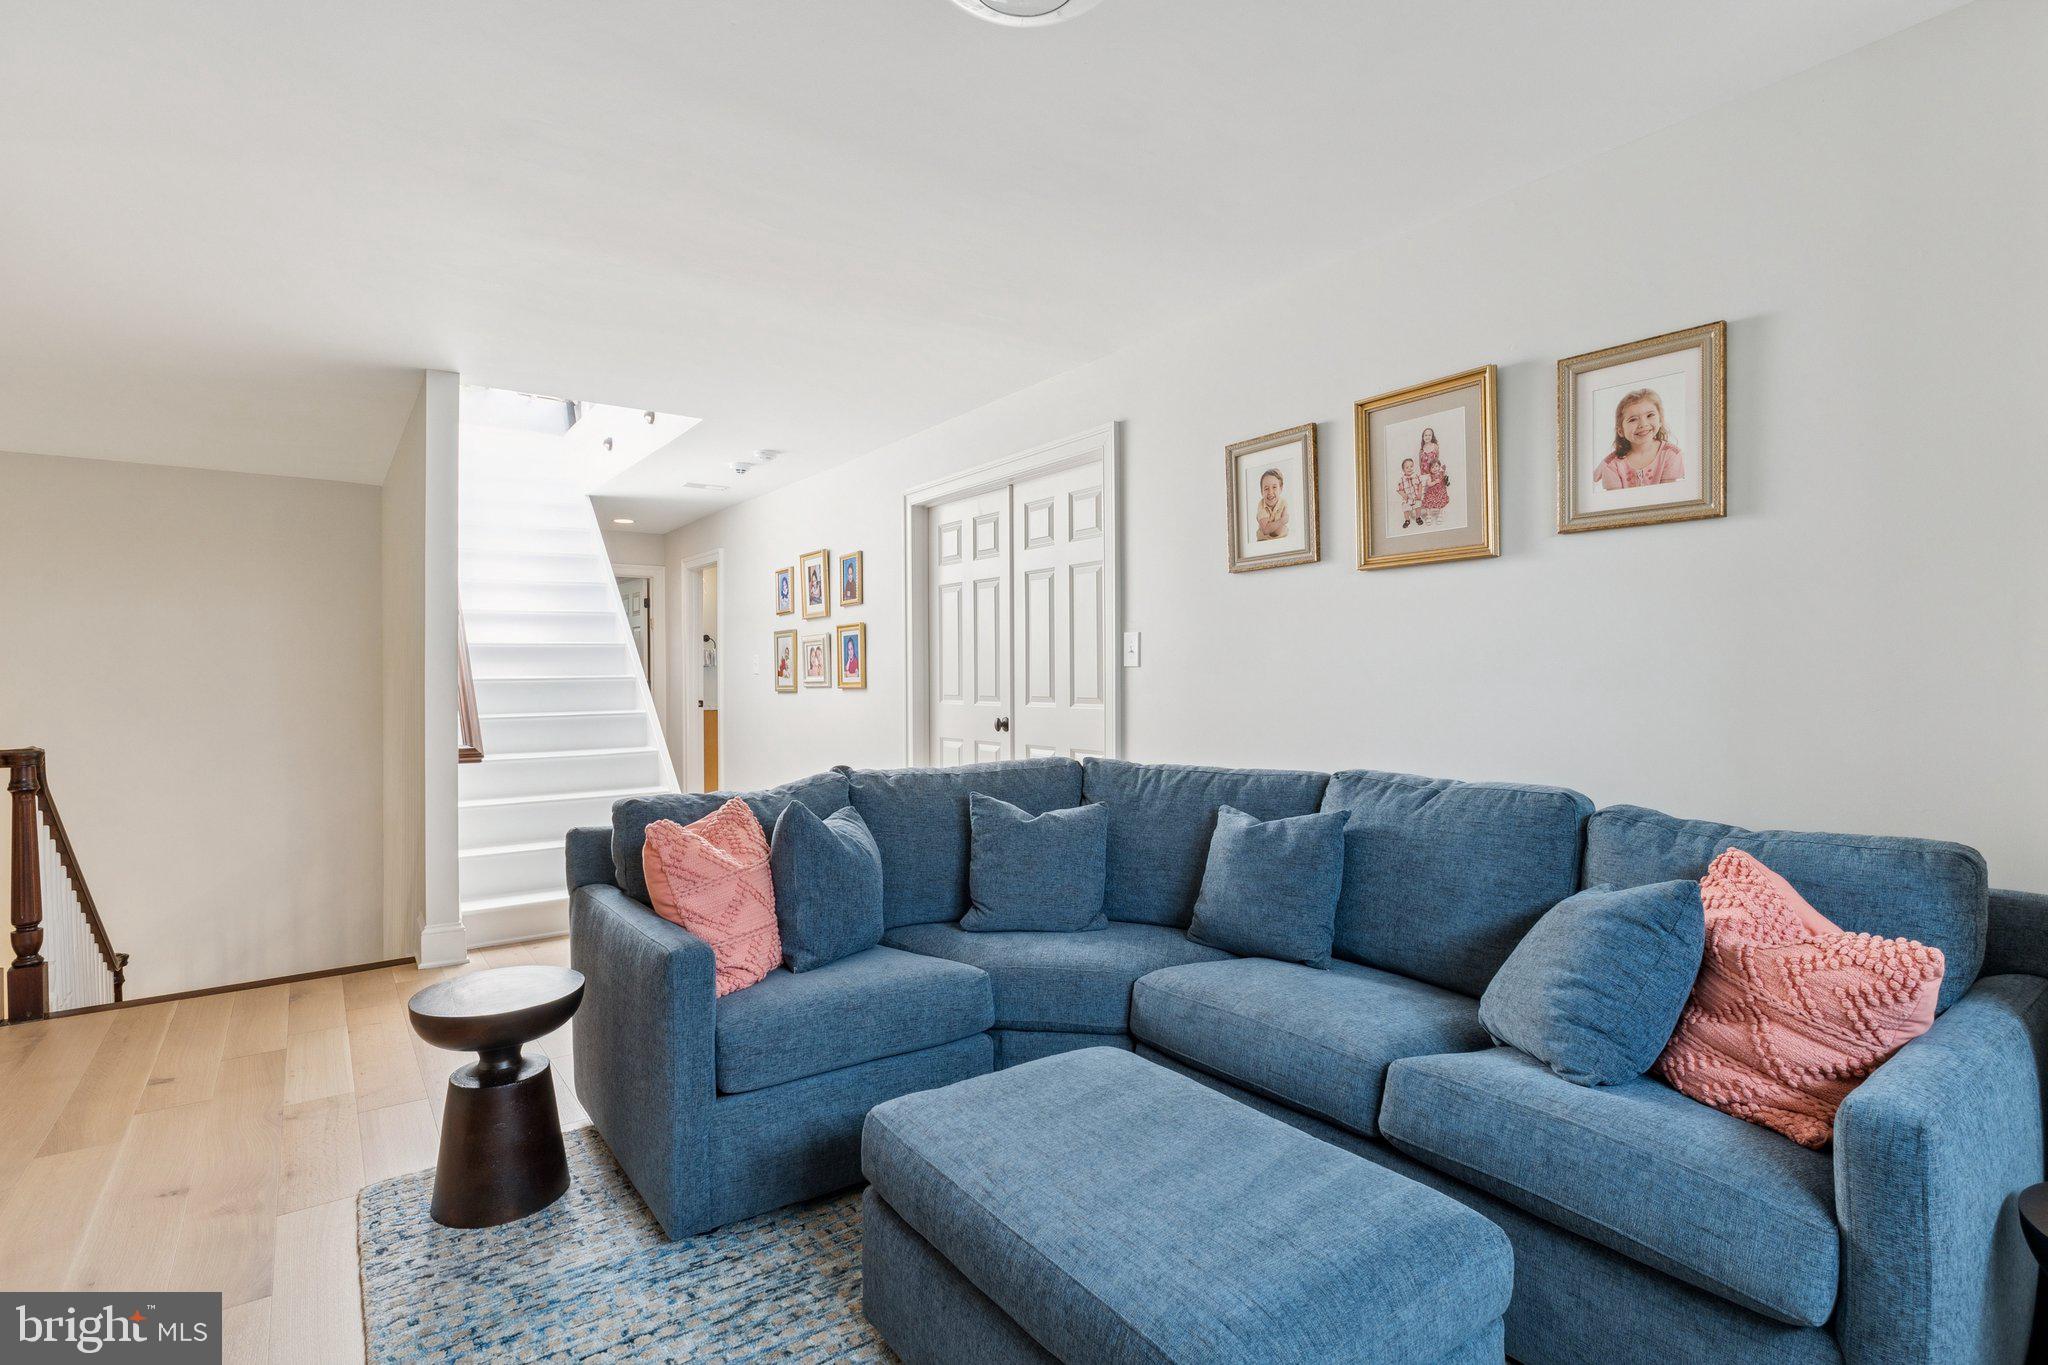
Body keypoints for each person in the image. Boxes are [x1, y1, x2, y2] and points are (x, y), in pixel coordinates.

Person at [1593, 388, 1685, 490]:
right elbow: (1615, 502)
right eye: (1633, 419)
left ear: (1660, 420)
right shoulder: (1611, 465)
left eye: (1650, 415)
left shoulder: (1671, 455)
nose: (1643, 424)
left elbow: (1668, 496)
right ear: (1621, 431)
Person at [1418, 428, 1450, 523]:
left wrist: (1438, 472)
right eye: (1425, 435)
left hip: (1434, 474)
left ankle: (1439, 511)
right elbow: (1420, 464)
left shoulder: (1435, 446)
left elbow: (1437, 460)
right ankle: (1428, 514)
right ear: (1423, 437)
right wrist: (1423, 475)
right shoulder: (1421, 450)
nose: (1427, 437)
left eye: (1429, 435)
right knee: (1427, 494)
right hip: (1425, 474)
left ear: (1432, 436)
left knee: (1438, 492)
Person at [1254, 468, 1288, 541]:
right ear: (1261, 492)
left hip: (1283, 539)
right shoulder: (1261, 506)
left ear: (1281, 488)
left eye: (1274, 487)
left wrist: (1272, 526)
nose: (1270, 492)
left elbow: (1278, 532)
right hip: (1264, 541)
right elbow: (1266, 530)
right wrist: (1282, 521)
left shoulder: (1283, 503)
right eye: (1266, 488)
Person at [1396, 457, 1427, 529]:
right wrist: (1403, 494)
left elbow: (1420, 484)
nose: (1410, 468)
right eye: (1407, 467)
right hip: (1407, 498)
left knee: (1418, 507)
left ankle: (1418, 517)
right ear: (1403, 470)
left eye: (1411, 466)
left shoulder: (1416, 476)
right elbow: (1399, 489)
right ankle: (1407, 520)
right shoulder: (1401, 479)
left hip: (1416, 497)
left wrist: (1419, 494)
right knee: (1405, 509)